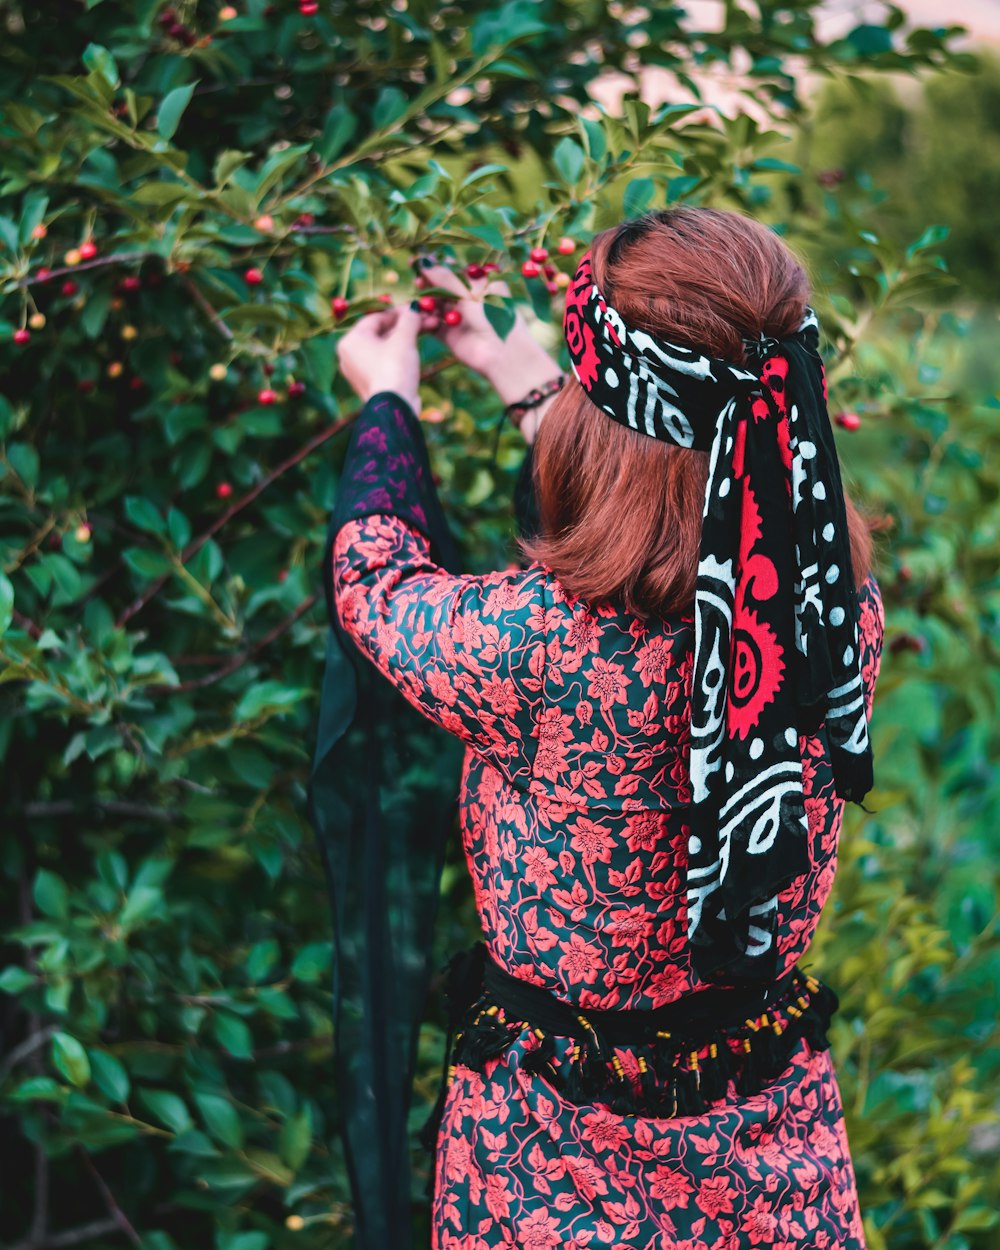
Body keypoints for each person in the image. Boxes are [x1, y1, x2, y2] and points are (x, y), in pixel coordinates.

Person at [329, 207, 884, 1248]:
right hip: (773, 1166)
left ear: (607, 408)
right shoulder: (837, 611)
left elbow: (374, 583)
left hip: (545, 1167)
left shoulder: (525, 644)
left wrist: (389, 404)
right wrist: (526, 375)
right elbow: (711, 503)